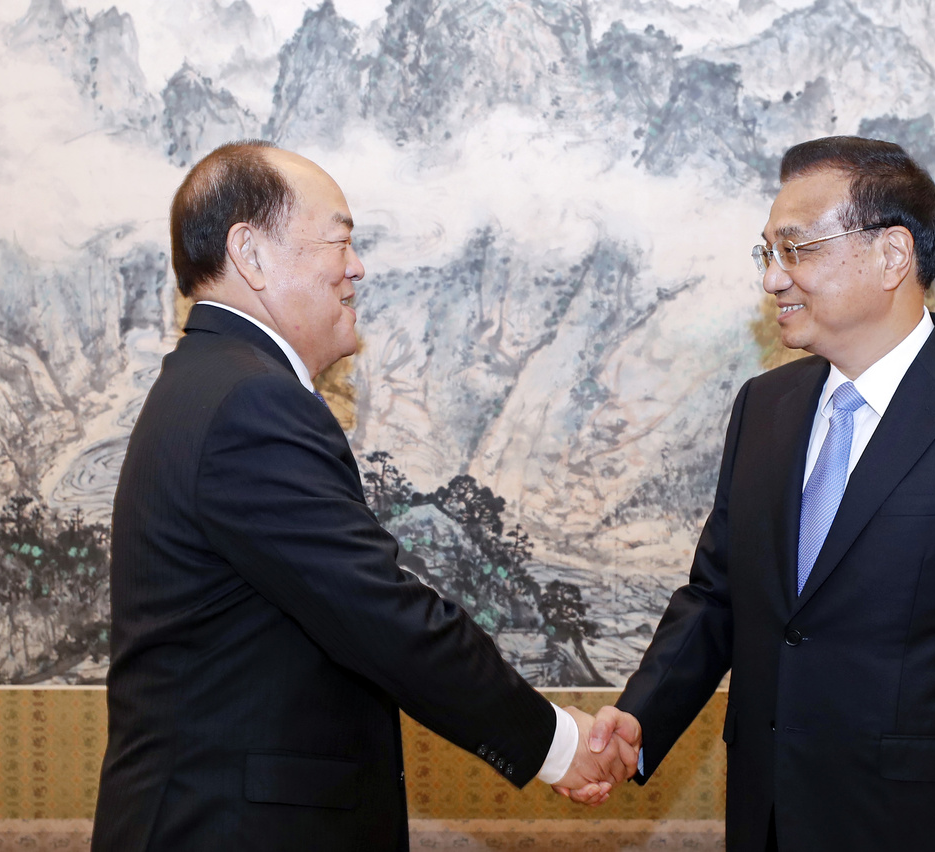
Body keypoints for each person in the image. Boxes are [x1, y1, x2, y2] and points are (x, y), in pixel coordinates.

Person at [92, 141, 632, 851]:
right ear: (250, 254)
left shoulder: (211, 382)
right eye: (339, 240)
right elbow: (379, 612)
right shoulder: (250, 401)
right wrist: (556, 744)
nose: (357, 267)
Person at [589, 136, 935, 851]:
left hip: (926, 828)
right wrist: (641, 718)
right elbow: (718, 595)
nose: (773, 278)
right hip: (770, 819)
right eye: (767, 253)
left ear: (892, 255)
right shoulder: (764, 406)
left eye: (796, 249)